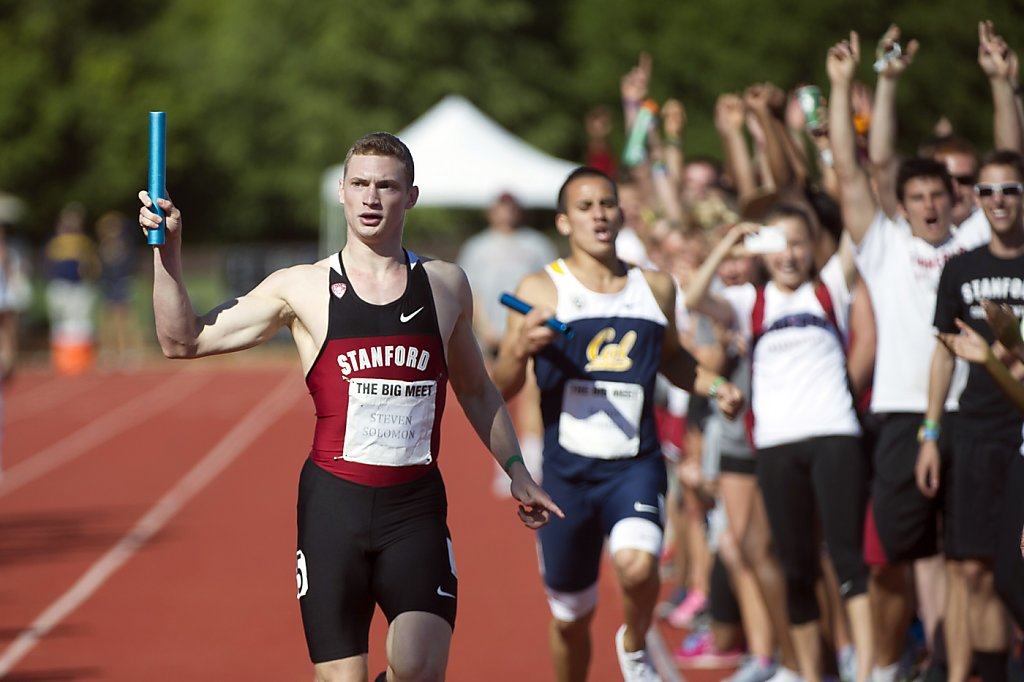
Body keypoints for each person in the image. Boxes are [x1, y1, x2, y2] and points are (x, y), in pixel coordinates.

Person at [138, 131, 563, 682]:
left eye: (386, 186)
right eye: (359, 184)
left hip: (414, 509)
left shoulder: (445, 285)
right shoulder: (302, 287)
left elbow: (478, 390)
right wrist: (167, 255)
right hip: (333, 509)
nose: (371, 198)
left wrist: (517, 471)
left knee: (419, 668)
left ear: (410, 196)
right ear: (340, 192)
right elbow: (182, 341)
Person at [491, 166, 743, 682]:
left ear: (621, 214)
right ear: (564, 221)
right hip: (566, 475)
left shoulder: (654, 287)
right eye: (585, 207)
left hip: (634, 466)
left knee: (638, 566)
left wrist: (715, 386)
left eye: (607, 203)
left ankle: (633, 642)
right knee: (570, 617)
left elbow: (674, 360)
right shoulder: (541, 287)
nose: (599, 214)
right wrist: (519, 347)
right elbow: (503, 386)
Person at [828, 28, 1006, 681]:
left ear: (956, 201)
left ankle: (957, 670)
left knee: (970, 561)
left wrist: (998, 82)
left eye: (940, 196)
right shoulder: (884, 245)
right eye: (918, 198)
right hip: (904, 416)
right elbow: (855, 171)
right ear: (900, 207)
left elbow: (1010, 157)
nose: (931, 205)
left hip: (975, 416)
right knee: (891, 558)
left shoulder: (976, 243)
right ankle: (887, 664)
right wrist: (851, 86)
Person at [685, 205, 873, 682]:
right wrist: (730, 244)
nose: (789, 255)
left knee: (848, 559)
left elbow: (864, 222)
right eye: (778, 245)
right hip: (776, 445)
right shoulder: (751, 302)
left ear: (812, 247)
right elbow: (693, 296)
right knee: (796, 566)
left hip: (835, 436)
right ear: (762, 255)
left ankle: (869, 670)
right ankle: (812, 673)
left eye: (798, 243)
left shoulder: (830, 287)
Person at [917, 150, 1024, 682]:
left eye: (1009, 190)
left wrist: (1013, 344)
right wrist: (930, 432)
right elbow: (941, 352)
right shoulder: (962, 267)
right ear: (976, 200)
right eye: (987, 192)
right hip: (975, 431)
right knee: (972, 572)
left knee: (1011, 573)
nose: (998, 201)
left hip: (1021, 435)